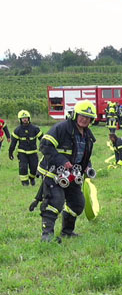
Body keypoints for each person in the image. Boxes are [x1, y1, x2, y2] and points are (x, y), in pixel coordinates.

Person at [37, 100, 97, 242]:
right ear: (75, 115)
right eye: (82, 115)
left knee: (77, 204)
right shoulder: (62, 128)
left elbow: (83, 156)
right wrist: (62, 161)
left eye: (88, 117)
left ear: (91, 120)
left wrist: (87, 166)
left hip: (72, 176)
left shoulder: (88, 136)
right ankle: (47, 236)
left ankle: (67, 232)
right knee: (55, 201)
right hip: (53, 172)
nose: (84, 119)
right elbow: (45, 146)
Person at [9, 110, 43, 186]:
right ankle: (25, 183)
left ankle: (32, 178)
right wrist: (10, 152)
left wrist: (46, 149)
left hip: (33, 152)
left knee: (34, 168)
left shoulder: (35, 129)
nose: (25, 119)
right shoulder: (17, 130)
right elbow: (13, 143)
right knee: (23, 168)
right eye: (23, 118)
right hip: (22, 153)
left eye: (26, 118)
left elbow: (43, 139)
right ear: (20, 119)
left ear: (29, 118)